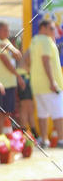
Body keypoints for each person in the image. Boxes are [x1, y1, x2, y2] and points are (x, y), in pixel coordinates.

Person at [29, 18, 63, 147]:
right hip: (49, 85)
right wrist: (52, 81)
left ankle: (44, 140)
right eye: (52, 28)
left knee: (42, 114)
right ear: (43, 28)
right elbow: (45, 60)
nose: (54, 31)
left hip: (37, 85)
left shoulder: (35, 40)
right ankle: (61, 139)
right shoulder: (45, 41)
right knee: (58, 113)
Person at [0, 22, 24, 134]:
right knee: (0, 112)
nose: (8, 33)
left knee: (7, 111)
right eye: (5, 30)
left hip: (9, 83)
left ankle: (4, 135)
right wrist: (18, 76)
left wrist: (12, 49)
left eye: (8, 30)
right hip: (0, 84)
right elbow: (6, 62)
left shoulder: (5, 42)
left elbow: (18, 55)